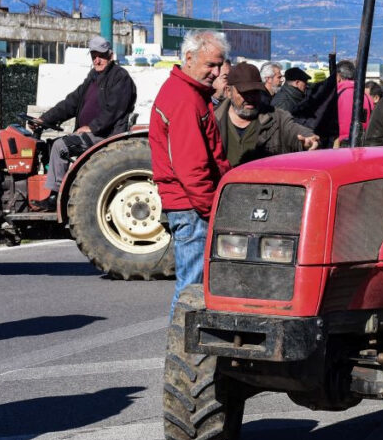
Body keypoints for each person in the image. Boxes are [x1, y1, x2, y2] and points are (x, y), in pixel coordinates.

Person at [149, 30, 232, 314]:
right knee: (192, 291)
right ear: (189, 58)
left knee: (194, 287)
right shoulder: (185, 98)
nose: (217, 72)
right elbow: (191, 168)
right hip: (192, 207)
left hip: (190, 204)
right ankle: (183, 353)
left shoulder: (189, 93)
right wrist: (211, 208)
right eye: (211, 65)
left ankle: (190, 350)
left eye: (220, 65)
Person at [34, 35, 136, 210]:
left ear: (110, 55)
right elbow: (71, 102)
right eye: (94, 56)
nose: (97, 60)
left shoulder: (120, 77)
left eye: (101, 55)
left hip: (105, 135)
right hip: (92, 133)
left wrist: (92, 127)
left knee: (61, 146)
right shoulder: (93, 78)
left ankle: (55, 196)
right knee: (52, 146)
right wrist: (45, 119)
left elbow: (114, 110)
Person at [215, 62, 319, 166]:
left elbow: (293, 129)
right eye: (244, 93)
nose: (250, 98)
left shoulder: (276, 117)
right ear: (229, 91)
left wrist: (308, 138)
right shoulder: (213, 119)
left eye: (255, 92)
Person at [336, 59, 375, 145]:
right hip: (363, 145)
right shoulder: (367, 97)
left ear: (338, 77)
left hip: (339, 145)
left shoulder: (336, 95)